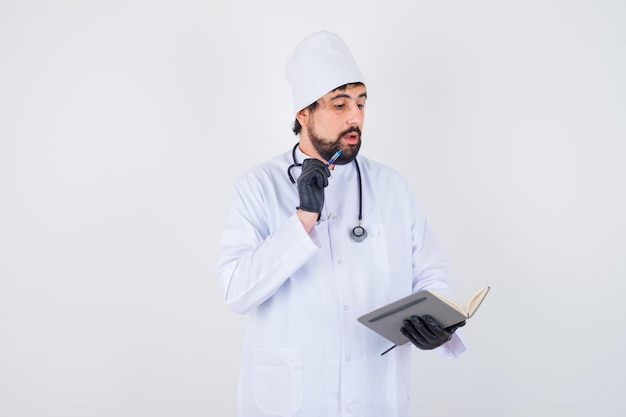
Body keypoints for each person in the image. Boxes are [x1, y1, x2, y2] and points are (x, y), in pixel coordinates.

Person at [215, 30, 466, 417]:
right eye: (339, 104)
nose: (355, 117)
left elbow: (431, 275)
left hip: (374, 397)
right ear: (304, 113)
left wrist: (440, 324)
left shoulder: (391, 186)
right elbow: (236, 292)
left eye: (361, 103)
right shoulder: (258, 186)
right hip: (292, 401)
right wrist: (301, 221)